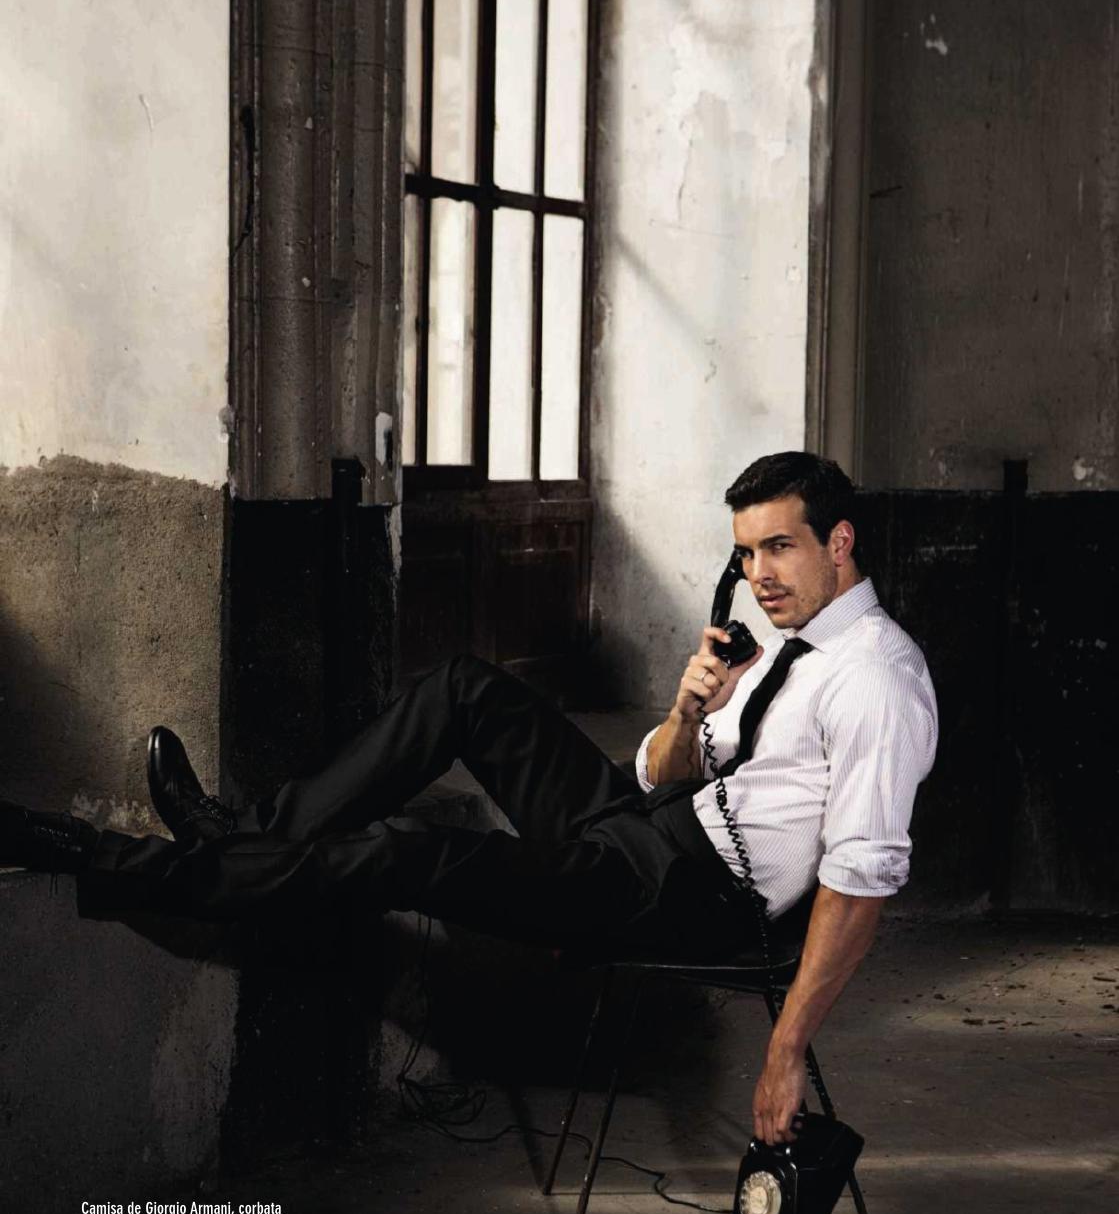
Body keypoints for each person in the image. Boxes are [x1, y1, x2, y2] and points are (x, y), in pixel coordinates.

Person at [1, 452, 937, 1146]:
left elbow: (860, 881)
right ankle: (240, 835)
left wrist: (784, 1050)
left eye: (779, 548)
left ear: (839, 541)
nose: (759, 574)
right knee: (462, 688)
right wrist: (688, 712)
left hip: (686, 896)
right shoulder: (778, 637)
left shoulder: (876, 679)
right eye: (746, 553)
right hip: (646, 827)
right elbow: (661, 773)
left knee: (406, 852)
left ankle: (111, 858)